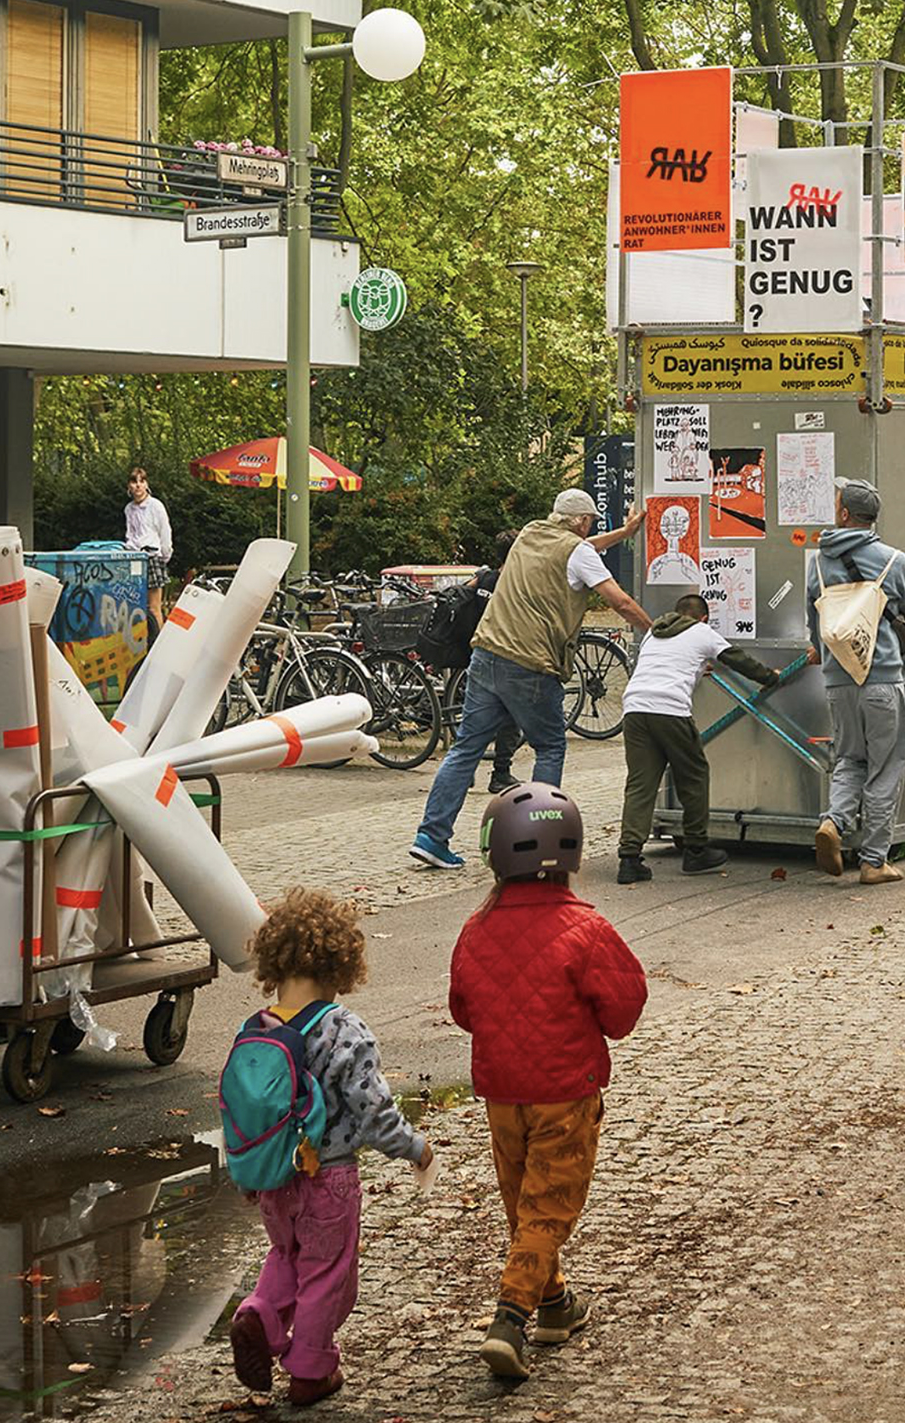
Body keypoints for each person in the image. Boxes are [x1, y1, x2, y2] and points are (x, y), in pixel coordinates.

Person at [449, 784, 647, 1381]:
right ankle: (510, 1319)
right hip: (565, 1093)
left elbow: (463, 1008)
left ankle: (556, 1306)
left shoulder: (475, 930)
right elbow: (624, 1010)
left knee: (524, 1205)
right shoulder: (586, 930)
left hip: (503, 1096)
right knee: (548, 1208)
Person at [228, 891, 431, 1408]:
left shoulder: (256, 1029)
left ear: (274, 958)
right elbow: (373, 1111)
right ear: (342, 961)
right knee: (325, 1270)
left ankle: (260, 1314)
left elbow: (246, 1112)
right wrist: (415, 1150)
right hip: (329, 1180)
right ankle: (311, 1372)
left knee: (285, 1254)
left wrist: (250, 1174)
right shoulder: (343, 1029)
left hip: (273, 1177)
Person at [411, 490, 647, 869]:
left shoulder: (529, 533)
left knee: (465, 749)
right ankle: (540, 841)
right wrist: (656, 630)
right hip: (530, 662)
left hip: (487, 653)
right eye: (591, 523)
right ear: (583, 521)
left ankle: (431, 836)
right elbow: (618, 601)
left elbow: (582, 549)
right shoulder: (578, 551)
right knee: (550, 746)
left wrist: (625, 531)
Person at [617, 593, 783, 884]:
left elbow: (667, 665)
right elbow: (738, 660)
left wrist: (695, 668)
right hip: (669, 710)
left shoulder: (654, 633)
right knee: (693, 775)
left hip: (634, 708)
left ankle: (629, 859)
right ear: (703, 618)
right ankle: (695, 850)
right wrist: (770, 677)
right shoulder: (702, 632)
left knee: (640, 784)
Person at [804, 478, 905, 885]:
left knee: (850, 759)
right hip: (883, 678)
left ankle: (834, 821)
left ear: (843, 514)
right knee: (886, 766)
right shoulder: (894, 560)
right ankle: (873, 860)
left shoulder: (817, 563)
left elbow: (813, 621)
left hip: (838, 680)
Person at [473, 529, 526, 795]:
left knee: (476, 720)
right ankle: (500, 773)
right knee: (509, 719)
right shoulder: (513, 582)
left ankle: (465, 771)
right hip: (505, 655)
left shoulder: (484, 578)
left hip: (476, 651)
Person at [123, 466, 173, 628]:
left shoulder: (155, 506)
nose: (138, 485)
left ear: (146, 484)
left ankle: (159, 645)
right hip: (134, 558)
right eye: (134, 481)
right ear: (129, 486)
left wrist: (165, 555)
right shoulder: (129, 509)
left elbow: (165, 531)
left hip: (152, 557)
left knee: (154, 608)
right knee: (136, 605)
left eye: (141, 481)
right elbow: (130, 533)